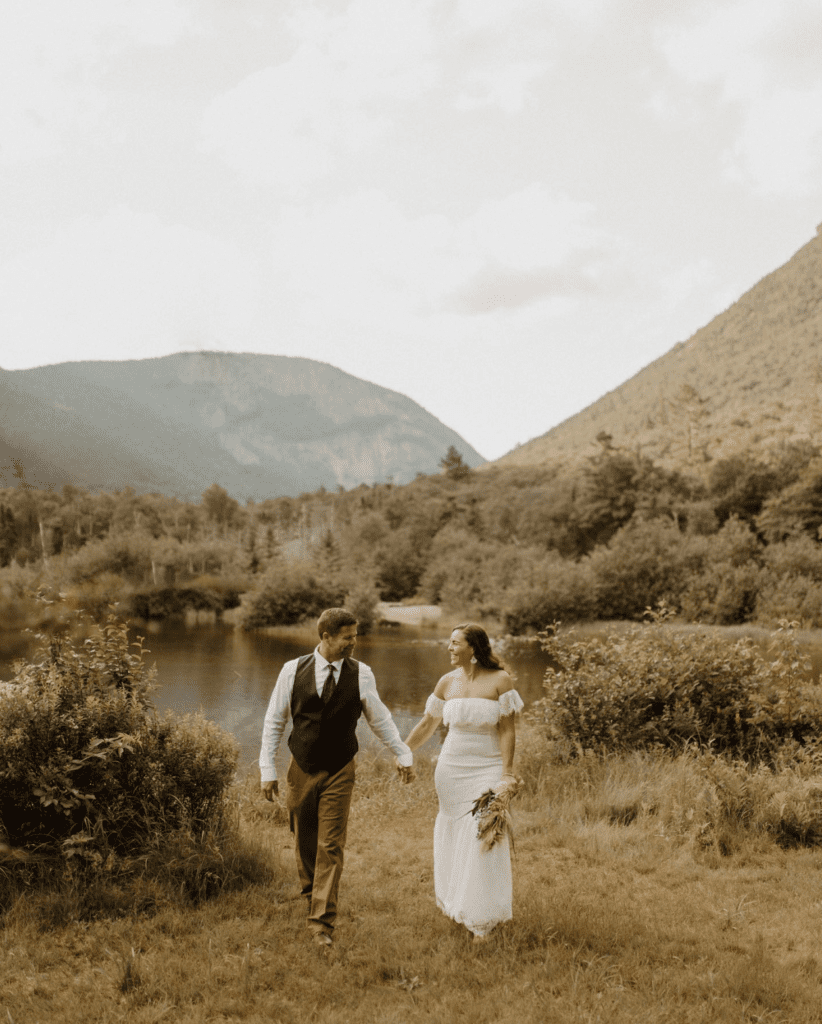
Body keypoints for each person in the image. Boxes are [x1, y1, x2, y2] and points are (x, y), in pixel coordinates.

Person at [260, 607, 414, 948]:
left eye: (355, 636)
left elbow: (380, 718)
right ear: (326, 636)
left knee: (331, 844)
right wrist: (266, 769)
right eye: (348, 637)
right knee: (304, 838)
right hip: (301, 767)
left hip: (341, 768)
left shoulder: (362, 674)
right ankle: (312, 892)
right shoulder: (292, 670)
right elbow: (274, 721)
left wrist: (401, 752)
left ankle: (321, 922)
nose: (354, 643)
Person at [404, 623, 523, 942]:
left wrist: (507, 772)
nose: (449, 648)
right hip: (451, 769)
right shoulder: (447, 682)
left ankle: (482, 919)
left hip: (487, 766)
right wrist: (404, 750)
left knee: (481, 832)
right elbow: (429, 723)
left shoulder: (500, 680)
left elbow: (508, 730)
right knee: (456, 832)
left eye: (455, 643)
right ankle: (459, 900)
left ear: (473, 648)